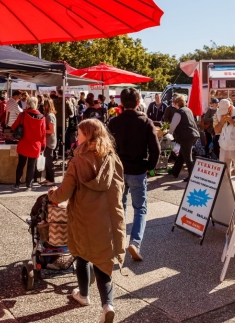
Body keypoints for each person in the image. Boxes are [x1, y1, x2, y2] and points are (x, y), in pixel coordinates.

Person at [47, 119, 124, 323]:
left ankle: (83, 295)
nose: (76, 137)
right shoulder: (112, 158)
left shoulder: (78, 161)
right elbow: (119, 189)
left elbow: (63, 194)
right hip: (108, 218)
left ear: (87, 135)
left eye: (79, 133)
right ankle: (108, 305)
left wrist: (51, 194)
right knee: (103, 262)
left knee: (82, 256)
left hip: (84, 217)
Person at [107, 88, 160, 262]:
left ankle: (117, 242)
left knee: (119, 208)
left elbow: (108, 148)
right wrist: (149, 166)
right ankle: (135, 242)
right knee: (140, 209)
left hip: (119, 171)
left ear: (121, 103)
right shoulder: (146, 122)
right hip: (138, 170)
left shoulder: (114, 122)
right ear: (138, 103)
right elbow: (155, 149)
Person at [11, 97, 45, 190]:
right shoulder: (42, 117)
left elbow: (14, 126)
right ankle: (28, 185)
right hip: (35, 145)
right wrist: (43, 145)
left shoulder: (23, 115)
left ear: (28, 104)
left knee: (21, 164)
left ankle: (17, 184)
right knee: (31, 166)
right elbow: (43, 134)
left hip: (24, 143)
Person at [167, 95, 200, 183]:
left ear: (177, 103)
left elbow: (172, 126)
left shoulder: (179, 112)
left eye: (174, 103)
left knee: (188, 157)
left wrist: (168, 132)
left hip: (186, 136)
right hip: (193, 135)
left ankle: (192, 176)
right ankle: (174, 172)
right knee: (182, 154)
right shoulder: (188, 110)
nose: (173, 104)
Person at [214, 99, 235, 177]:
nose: (223, 113)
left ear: (230, 107)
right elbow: (216, 131)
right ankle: (227, 189)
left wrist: (233, 122)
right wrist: (221, 122)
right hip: (224, 147)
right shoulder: (217, 113)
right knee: (224, 174)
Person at [36, 97, 57, 186]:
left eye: (44, 105)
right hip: (48, 141)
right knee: (47, 161)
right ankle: (48, 178)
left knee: (49, 162)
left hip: (50, 142)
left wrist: (41, 131)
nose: (43, 107)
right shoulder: (49, 115)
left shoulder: (50, 116)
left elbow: (51, 130)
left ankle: (51, 180)